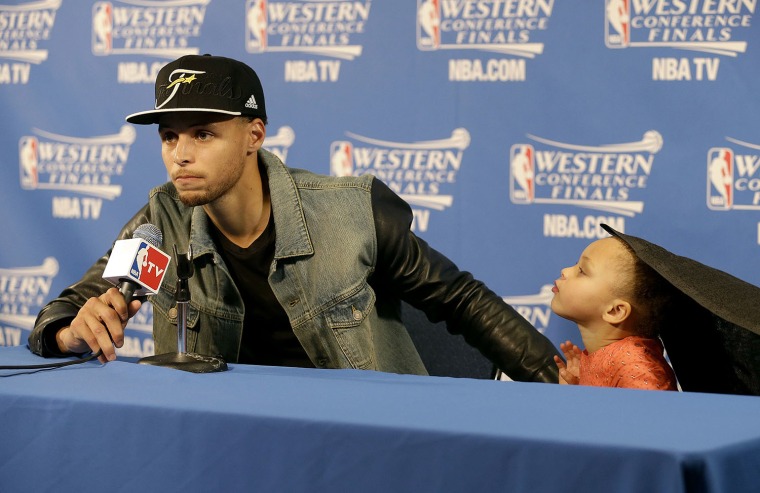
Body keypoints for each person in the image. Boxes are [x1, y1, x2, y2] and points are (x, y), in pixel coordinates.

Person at [28, 54, 560, 382]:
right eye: (169, 136)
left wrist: (557, 383)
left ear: (255, 136)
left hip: (360, 437)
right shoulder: (161, 221)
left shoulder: (350, 212)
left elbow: (460, 299)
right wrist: (66, 334)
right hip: (230, 441)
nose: (179, 155)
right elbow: (73, 306)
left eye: (203, 133)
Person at [550, 229, 678, 390]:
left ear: (615, 311)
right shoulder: (611, 356)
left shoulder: (637, 368)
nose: (565, 271)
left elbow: (652, 414)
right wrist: (578, 393)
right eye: (576, 264)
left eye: (582, 271)